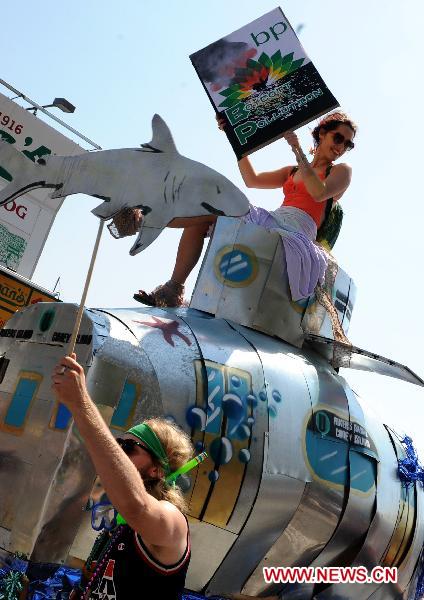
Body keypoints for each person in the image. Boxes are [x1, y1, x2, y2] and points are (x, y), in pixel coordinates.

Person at [134, 111, 356, 306]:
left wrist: (297, 149)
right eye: (338, 138)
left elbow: (319, 193)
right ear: (322, 133)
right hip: (274, 220)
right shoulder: (293, 170)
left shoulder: (342, 171)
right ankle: (173, 289)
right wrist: (232, 135)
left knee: (215, 208)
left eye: (348, 144)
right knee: (203, 218)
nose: (341, 147)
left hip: (297, 232)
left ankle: (144, 220)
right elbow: (252, 179)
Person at [52, 354, 194, 599]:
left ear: (157, 470)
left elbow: (137, 506)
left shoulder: (172, 521)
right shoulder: (121, 522)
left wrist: (81, 403)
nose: (119, 452)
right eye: (119, 444)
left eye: (128, 448)